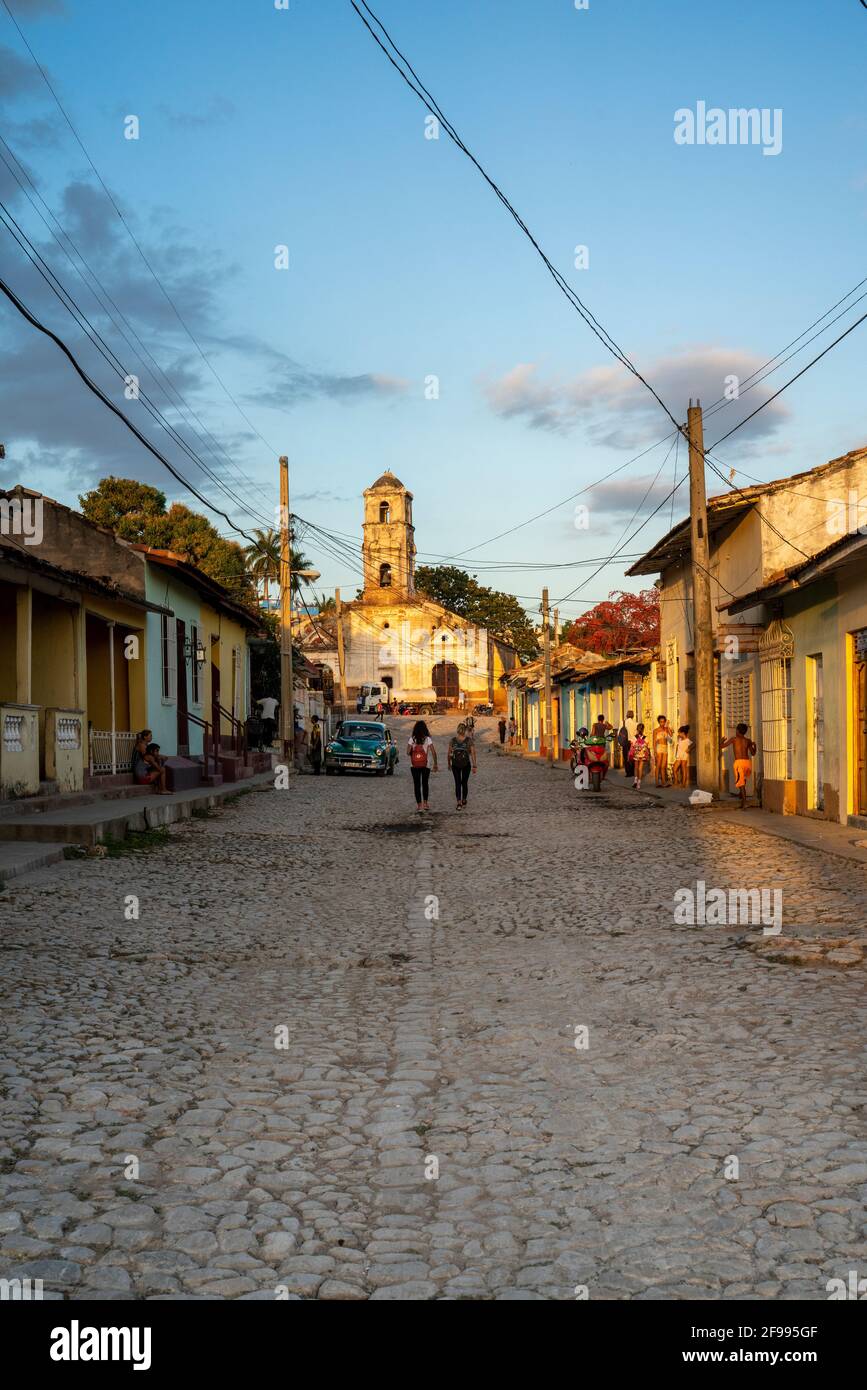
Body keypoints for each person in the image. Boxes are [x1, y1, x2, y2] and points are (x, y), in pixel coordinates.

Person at [721, 722, 757, 809]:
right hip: (747, 763)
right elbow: (753, 753)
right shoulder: (748, 741)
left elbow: (721, 746)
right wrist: (755, 746)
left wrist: (721, 741)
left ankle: (744, 803)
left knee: (741, 784)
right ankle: (741, 795)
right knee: (743, 779)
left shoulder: (734, 739)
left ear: (737, 731)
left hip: (739, 763)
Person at [407, 719, 437, 812]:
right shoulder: (428, 739)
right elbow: (433, 752)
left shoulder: (412, 739)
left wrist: (413, 750)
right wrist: (435, 764)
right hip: (426, 764)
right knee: (425, 784)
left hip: (414, 764)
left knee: (417, 784)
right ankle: (426, 803)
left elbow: (407, 752)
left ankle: (419, 805)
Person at [448, 722, 476, 810]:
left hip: (455, 765)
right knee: (464, 783)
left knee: (457, 783)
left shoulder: (452, 740)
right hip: (466, 764)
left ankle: (459, 803)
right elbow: (473, 753)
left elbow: (449, 754)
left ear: (457, 730)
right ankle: (464, 800)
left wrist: (449, 763)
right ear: (465, 731)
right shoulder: (469, 740)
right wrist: (475, 765)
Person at [629, 723, 651, 790]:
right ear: (643, 729)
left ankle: (635, 780)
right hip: (642, 753)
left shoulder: (634, 737)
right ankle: (639, 783)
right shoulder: (646, 738)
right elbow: (647, 746)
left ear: (637, 729)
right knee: (640, 768)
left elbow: (632, 746)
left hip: (636, 753)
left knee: (636, 767)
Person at [653, 715, 673, 786]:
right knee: (658, 765)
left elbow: (671, 735)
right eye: (661, 722)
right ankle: (657, 782)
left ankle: (664, 782)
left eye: (663, 722)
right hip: (659, 747)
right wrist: (654, 751)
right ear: (659, 722)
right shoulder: (656, 730)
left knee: (663, 766)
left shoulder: (666, 729)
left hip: (665, 747)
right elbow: (654, 742)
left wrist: (668, 726)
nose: (662, 723)